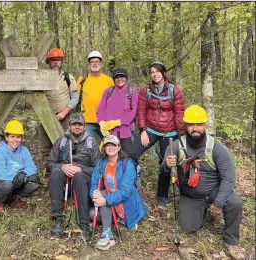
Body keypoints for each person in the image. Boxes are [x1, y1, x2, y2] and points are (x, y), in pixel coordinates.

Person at [160, 105, 245, 260]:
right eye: (191, 124)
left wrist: (218, 203)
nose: (195, 128)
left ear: (205, 125)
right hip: (190, 195)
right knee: (188, 228)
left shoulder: (216, 147)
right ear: (185, 125)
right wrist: (167, 165)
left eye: (199, 124)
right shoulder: (176, 146)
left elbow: (229, 178)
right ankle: (204, 212)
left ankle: (231, 241)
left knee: (234, 202)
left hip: (214, 191)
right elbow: (163, 172)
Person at [127, 61, 185, 209]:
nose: (155, 74)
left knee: (166, 163)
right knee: (131, 153)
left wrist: (182, 136)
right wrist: (143, 130)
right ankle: (130, 186)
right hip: (151, 129)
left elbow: (179, 114)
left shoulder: (174, 91)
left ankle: (162, 197)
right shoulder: (146, 90)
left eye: (157, 71)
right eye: (152, 72)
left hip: (170, 132)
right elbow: (141, 111)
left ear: (164, 73)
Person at [47, 112, 99, 241]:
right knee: (56, 172)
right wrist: (63, 167)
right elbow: (49, 163)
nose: (77, 127)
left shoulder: (92, 143)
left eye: (80, 124)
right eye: (74, 124)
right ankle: (58, 218)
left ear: (84, 126)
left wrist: (80, 168)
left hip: (83, 182)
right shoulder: (61, 142)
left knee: (79, 176)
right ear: (69, 125)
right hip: (65, 183)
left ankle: (84, 222)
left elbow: (98, 169)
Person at [89, 135, 146, 250]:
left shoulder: (127, 164)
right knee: (92, 213)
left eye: (113, 145)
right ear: (104, 149)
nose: (110, 148)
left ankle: (108, 235)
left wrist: (105, 200)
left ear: (119, 147)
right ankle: (114, 224)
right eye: (107, 145)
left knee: (104, 195)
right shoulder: (101, 163)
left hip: (126, 203)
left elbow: (125, 192)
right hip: (110, 201)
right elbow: (94, 184)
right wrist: (94, 193)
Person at [0, 120, 40, 212]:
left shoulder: (24, 150)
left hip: (17, 180)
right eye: (12, 136)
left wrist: (23, 175)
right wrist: (19, 175)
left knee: (34, 184)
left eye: (18, 137)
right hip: (0, 182)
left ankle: (13, 198)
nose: (15, 140)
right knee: (8, 185)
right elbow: (2, 175)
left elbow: (32, 168)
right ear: (6, 137)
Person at [40, 48, 79, 158]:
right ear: (49, 62)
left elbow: (75, 98)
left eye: (58, 60)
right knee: (46, 148)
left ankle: (66, 171)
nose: (56, 62)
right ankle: (47, 172)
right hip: (47, 117)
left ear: (62, 61)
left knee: (66, 145)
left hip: (65, 118)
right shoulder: (42, 78)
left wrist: (64, 112)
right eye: (53, 60)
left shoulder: (68, 77)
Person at [96, 68, 139, 151]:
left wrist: (118, 122)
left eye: (122, 76)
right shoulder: (108, 91)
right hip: (110, 133)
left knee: (127, 157)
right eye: (117, 77)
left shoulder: (132, 92)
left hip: (126, 132)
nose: (119, 79)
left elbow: (133, 112)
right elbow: (100, 109)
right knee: (110, 157)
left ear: (126, 78)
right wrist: (102, 123)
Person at [77, 51, 114, 143]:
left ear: (101, 64)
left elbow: (114, 100)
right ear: (89, 65)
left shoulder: (108, 80)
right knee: (89, 147)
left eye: (97, 61)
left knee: (108, 145)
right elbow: (75, 98)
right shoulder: (82, 80)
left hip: (106, 121)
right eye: (92, 62)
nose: (94, 64)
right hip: (88, 121)